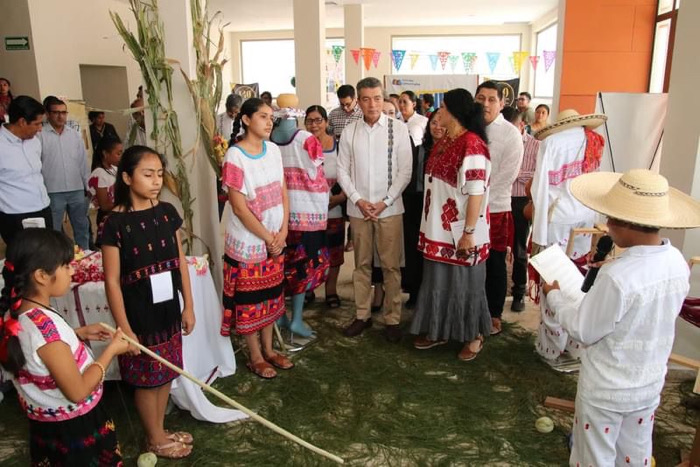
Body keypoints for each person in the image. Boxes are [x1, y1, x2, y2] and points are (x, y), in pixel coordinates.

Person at [542, 169, 700, 466]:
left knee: (595, 456)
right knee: (635, 453)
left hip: (606, 389)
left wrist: (555, 296)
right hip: (648, 383)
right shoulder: (676, 262)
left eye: (611, 218)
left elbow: (584, 330)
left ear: (625, 224)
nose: (607, 225)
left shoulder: (617, 277)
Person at [0, 228, 130, 466]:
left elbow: (39, 354)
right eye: (66, 266)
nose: (72, 271)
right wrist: (111, 351)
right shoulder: (47, 333)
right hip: (75, 431)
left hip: (46, 427)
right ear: (41, 275)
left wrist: (77, 333)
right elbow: (78, 391)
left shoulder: (16, 314)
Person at [101, 145, 196, 459]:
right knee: (146, 378)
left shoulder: (167, 213)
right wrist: (124, 328)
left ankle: (159, 430)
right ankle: (154, 437)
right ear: (127, 177)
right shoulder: (113, 225)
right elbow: (112, 281)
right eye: (147, 174)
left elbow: (180, 261)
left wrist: (189, 305)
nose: (156, 181)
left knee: (165, 371)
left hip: (168, 306)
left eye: (159, 174)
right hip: (138, 313)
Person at [409, 88, 492, 361]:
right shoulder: (446, 140)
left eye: (442, 107)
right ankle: (439, 330)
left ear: (455, 112)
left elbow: (476, 192)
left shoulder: (473, 144)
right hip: (437, 229)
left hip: (460, 229)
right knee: (438, 279)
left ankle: (474, 335)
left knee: (464, 282)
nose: (438, 112)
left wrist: (468, 234)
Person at [220, 97, 293, 379]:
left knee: (272, 296)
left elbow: (282, 190)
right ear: (247, 119)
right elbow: (239, 207)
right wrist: (267, 238)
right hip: (250, 243)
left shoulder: (273, 150)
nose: (268, 122)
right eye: (262, 116)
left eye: (271, 117)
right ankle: (255, 356)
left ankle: (270, 350)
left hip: (276, 237)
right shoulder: (235, 156)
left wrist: (283, 231)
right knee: (250, 301)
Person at [337, 77, 412, 343]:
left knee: (391, 267)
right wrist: (358, 199)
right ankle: (362, 315)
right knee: (361, 265)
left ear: (383, 98)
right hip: (358, 210)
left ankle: (392, 318)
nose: (372, 104)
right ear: (358, 101)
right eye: (366, 99)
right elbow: (342, 171)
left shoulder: (398, 129)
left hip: (389, 209)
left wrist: (385, 201)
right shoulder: (350, 131)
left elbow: (405, 171)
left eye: (377, 98)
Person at [531, 109, 606, 360]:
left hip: (557, 220)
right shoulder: (594, 142)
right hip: (584, 219)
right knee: (580, 281)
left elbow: (540, 189)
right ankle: (575, 345)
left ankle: (551, 347)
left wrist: (538, 236)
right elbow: (596, 186)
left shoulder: (551, 143)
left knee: (553, 280)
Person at [271, 95, 329, 338]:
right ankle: (296, 319)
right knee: (302, 268)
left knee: (279, 267)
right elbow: (319, 171)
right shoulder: (307, 140)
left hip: (278, 215)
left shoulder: (269, 141)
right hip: (308, 214)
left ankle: (281, 317)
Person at [475, 81, 524, 335]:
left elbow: (508, 175)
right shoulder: (470, 127)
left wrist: (478, 200)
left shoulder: (510, 134)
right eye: (481, 98)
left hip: (496, 208)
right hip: (468, 209)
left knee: (494, 263)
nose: (485, 104)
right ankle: (473, 309)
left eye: (491, 99)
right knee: (472, 262)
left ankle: (494, 313)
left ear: (502, 103)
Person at [403, 109, 445, 308]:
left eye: (442, 123)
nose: (437, 127)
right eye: (434, 122)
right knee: (415, 250)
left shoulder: (452, 150)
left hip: (441, 207)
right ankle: (414, 292)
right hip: (415, 204)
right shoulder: (420, 148)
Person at [305, 105, 346, 309]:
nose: (314, 125)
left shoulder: (338, 146)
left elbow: (348, 175)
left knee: (334, 252)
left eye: (318, 120)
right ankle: (308, 289)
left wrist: (340, 198)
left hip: (334, 209)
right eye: (310, 121)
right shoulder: (301, 147)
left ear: (326, 122)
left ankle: (331, 290)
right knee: (309, 252)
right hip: (308, 213)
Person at [39, 96, 90, 250]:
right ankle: (56, 260)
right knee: (53, 230)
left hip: (76, 189)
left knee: (82, 227)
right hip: (53, 190)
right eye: (56, 113)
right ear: (48, 114)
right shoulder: (40, 135)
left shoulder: (74, 135)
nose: (61, 116)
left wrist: (87, 184)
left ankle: (85, 255)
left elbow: (82, 161)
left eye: (63, 112)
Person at [0, 96, 52, 246]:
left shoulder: (34, 142)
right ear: (22, 122)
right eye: (37, 124)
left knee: (48, 254)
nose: (40, 129)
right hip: (15, 214)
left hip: (43, 207)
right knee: (24, 260)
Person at [501, 107, 539, 312]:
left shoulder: (535, 146)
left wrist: (510, 173)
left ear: (522, 125)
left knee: (519, 249)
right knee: (496, 247)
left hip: (521, 201)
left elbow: (535, 174)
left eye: (511, 127)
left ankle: (519, 292)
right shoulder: (497, 141)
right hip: (499, 199)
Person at [88, 136, 123, 238]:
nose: (120, 157)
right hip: (107, 218)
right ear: (105, 153)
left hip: (117, 215)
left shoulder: (114, 169)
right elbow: (104, 206)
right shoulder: (99, 174)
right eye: (118, 153)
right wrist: (125, 202)